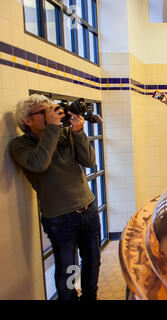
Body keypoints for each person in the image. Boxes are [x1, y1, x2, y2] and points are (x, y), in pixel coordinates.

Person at [9, 94, 100, 300]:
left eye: (52, 109)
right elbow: (39, 163)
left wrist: (78, 132)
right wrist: (53, 128)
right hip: (60, 219)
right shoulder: (20, 146)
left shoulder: (64, 134)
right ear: (28, 120)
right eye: (44, 112)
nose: (52, 114)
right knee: (68, 269)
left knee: (92, 262)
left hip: (89, 209)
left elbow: (89, 161)